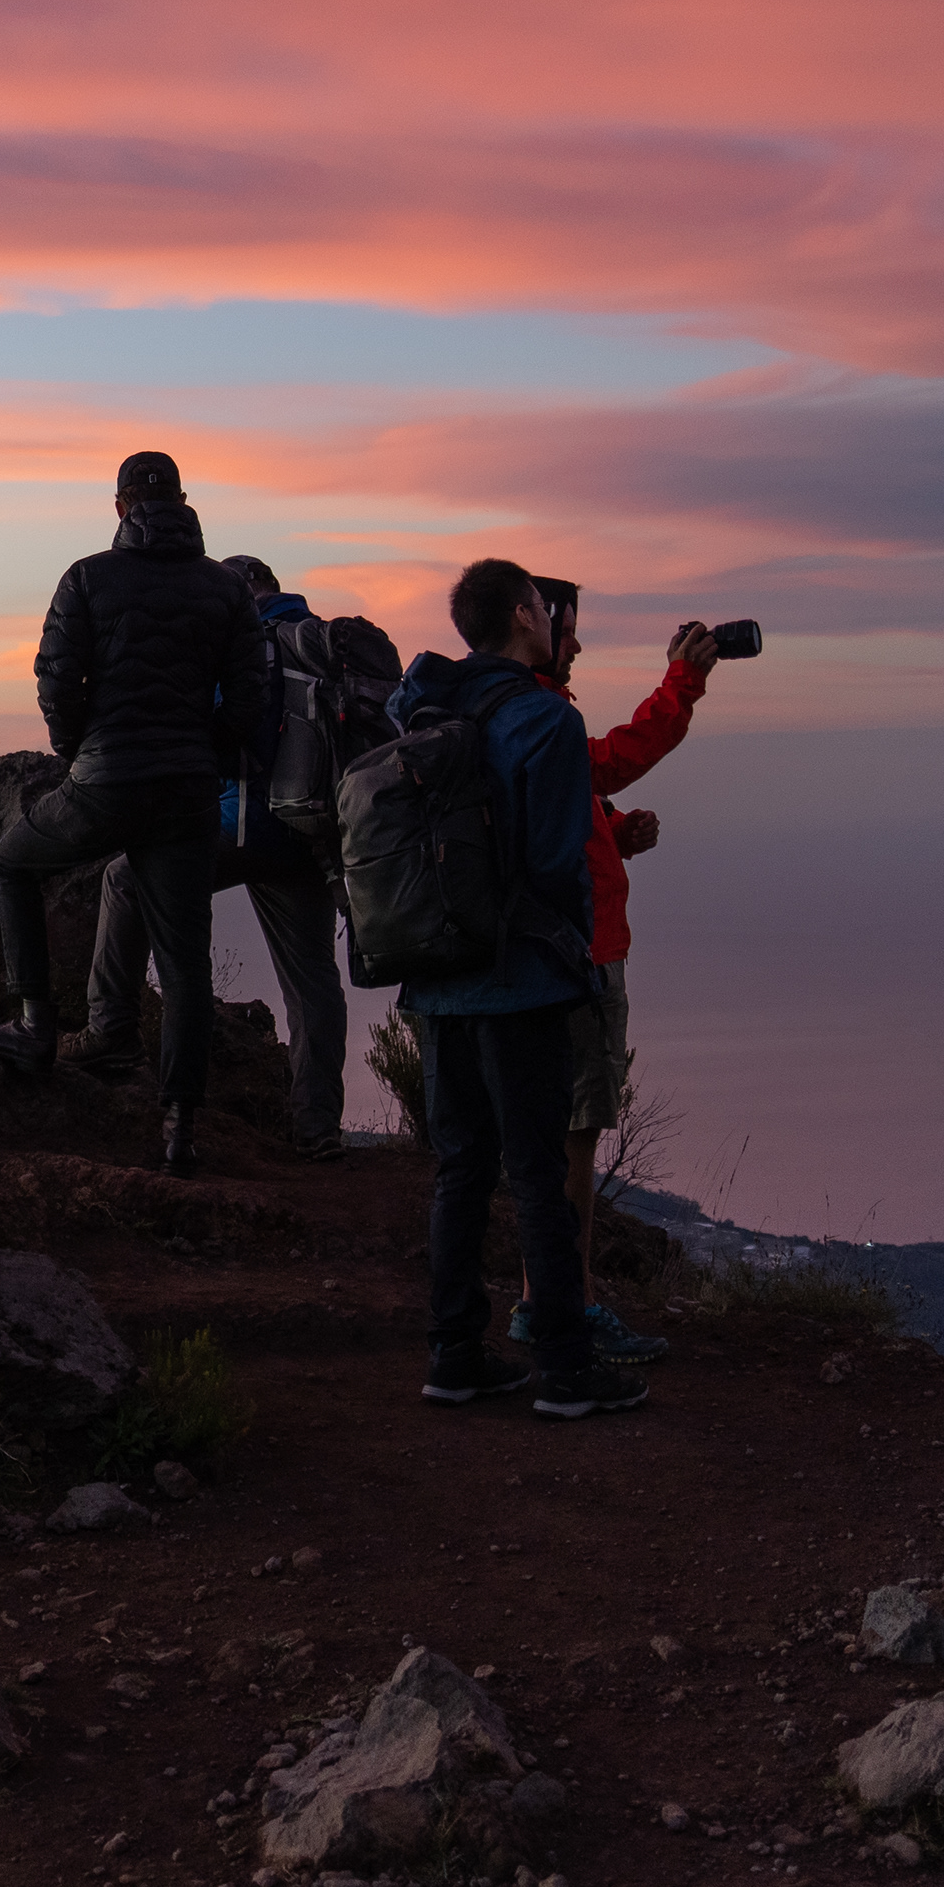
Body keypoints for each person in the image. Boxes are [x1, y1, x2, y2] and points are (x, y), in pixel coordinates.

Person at [0, 450, 266, 1180]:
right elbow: (251, 698)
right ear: (183, 501)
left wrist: (79, 751)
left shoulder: (88, 577)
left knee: (10, 864)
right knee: (185, 963)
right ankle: (179, 1126)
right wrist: (205, 757)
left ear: (121, 506)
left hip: (105, 779)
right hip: (187, 791)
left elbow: (56, 677)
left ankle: (35, 1027)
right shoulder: (227, 588)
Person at [391, 559, 645, 1419]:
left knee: (461, 1167)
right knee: (537, 1170)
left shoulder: (423, 706)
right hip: (519, 981)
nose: (551, 616)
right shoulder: (545, 718)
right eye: (542, 604)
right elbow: (555, 860)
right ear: (524, 615)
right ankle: (566, 1367)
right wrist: (573, 955)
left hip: (436, 976)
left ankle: (454, 1355)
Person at [512, 578, 731, 1367]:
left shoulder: (494, 713)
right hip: (583, 955)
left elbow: (555, 812)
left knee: (541, 1137)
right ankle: (564, 1309)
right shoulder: (542, 711)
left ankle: (541, 1303)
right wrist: (682, 682)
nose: (574, 642)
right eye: (565, 627)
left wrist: (610, 832)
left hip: (535, 955)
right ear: (530, 622)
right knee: (574, 1143)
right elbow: (615, 758)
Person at [78, 556, 354, 1157]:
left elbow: (213, 730)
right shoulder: (321, 647)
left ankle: (110, 1030)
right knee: (312, 981)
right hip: (311, 838)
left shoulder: (239, 642)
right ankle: (318, 1128)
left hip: (238, 825)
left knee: (124, 880)